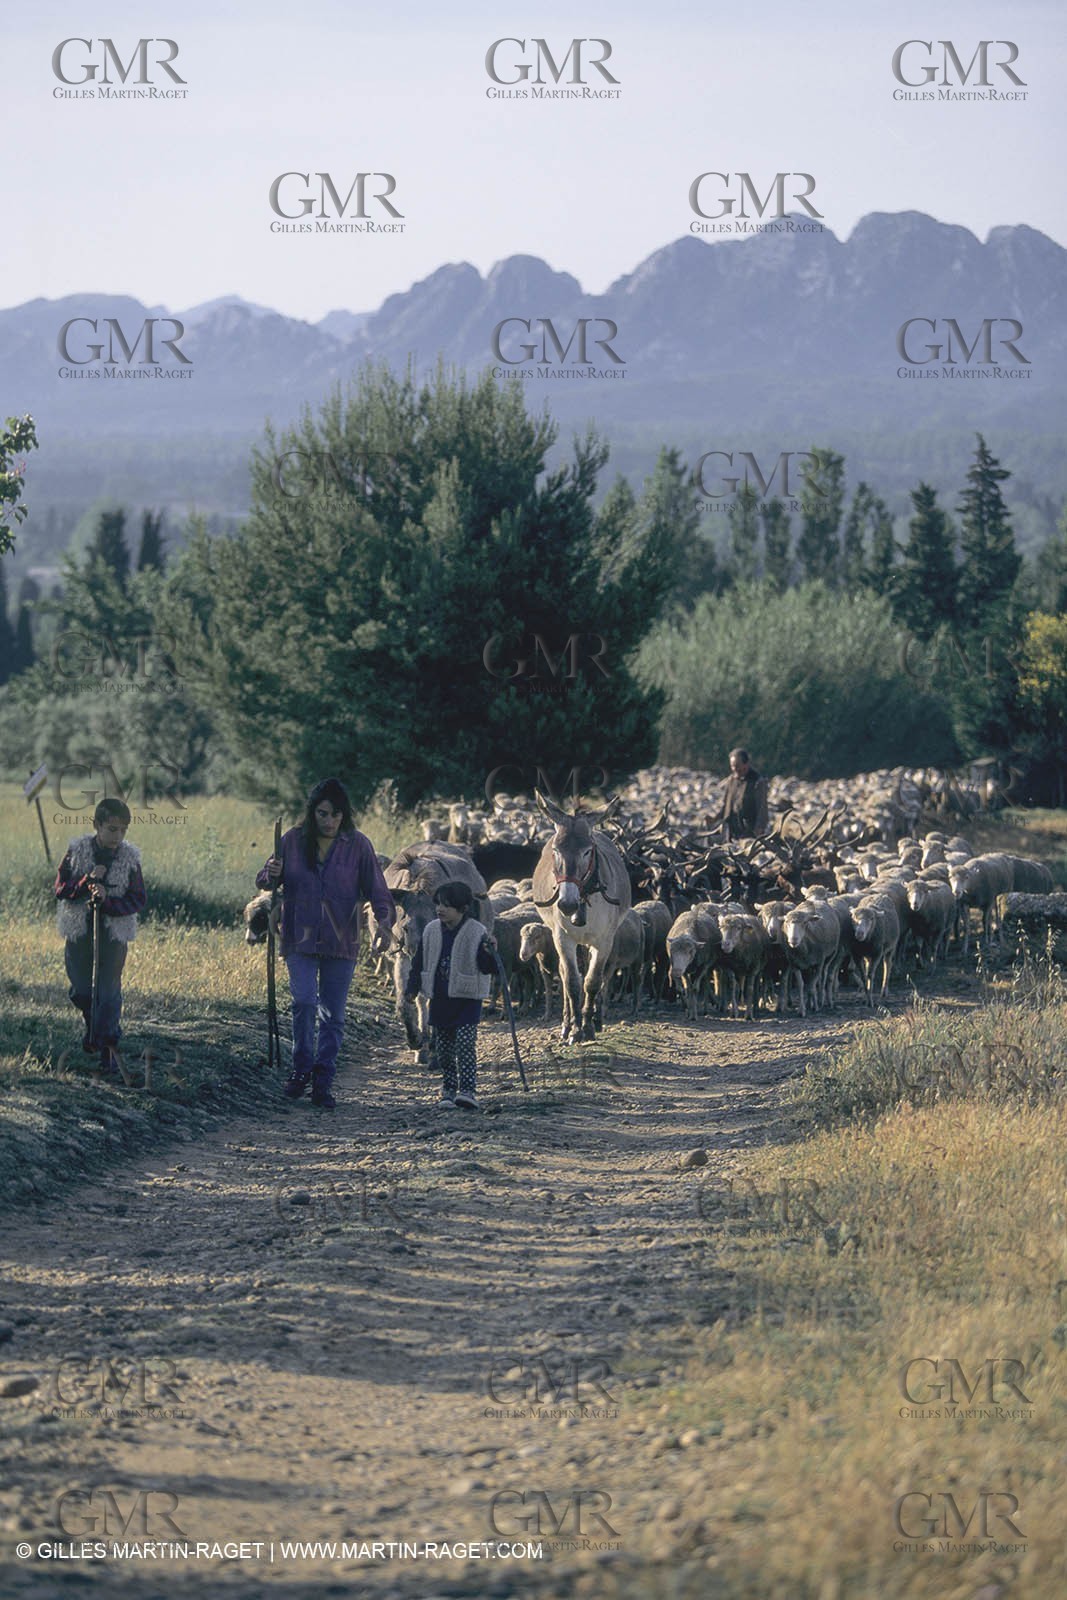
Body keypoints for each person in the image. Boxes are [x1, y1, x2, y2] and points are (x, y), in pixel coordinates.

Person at [257, 776, 394, 1109]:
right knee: (303, 1001)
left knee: (333, 1015)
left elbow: (377, 889)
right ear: (312, 813)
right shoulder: (291, 841)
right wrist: (271, 872)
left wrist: (384, 924)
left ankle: (323, 1077)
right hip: (299, 936)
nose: (329, 821)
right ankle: (301, 1068)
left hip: (341, 936)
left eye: (335, 814)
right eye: (323, 814)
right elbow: (263, 880)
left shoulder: (358, 845)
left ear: (344, 815)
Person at [54, 797, 146, 1075]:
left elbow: (138, 899)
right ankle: (93, 1025)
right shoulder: (77, 850)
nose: (117, 836)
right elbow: (60, 889)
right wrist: (85, 882)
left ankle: (107, 1046)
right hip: (80, 932)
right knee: (80, 990)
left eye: (123, 830)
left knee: (107, 993)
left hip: (113, 936)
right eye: (111, 829)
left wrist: (108, 903)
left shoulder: (130, 859)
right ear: (97, 825)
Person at [405, 881, 498, 1111]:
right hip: (440, 997)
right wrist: (412, 987)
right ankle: (448, 1089)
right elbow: (419, 961)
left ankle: (467, 1090)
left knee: (465, 1044)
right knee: (444, 1048)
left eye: (447, 906)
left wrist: (490, 953)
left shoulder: (477, 932)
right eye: (438, 904)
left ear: (462, 908)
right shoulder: (431, 930)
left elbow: (488, 968)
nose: (440, 909)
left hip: (467, 999)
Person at [718, 747, 770, 840]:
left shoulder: (757, 782)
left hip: (748, 834)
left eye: (737, 765)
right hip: (730, 832)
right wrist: (715, 818)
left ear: (746, 764)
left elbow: (762, 809)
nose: (734, 769)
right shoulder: (731, 780)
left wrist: (759, 829)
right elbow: (725, 805)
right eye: (732, 766)